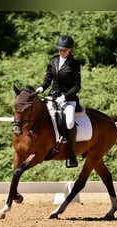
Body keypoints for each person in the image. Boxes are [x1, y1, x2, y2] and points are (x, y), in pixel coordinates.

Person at [36, 35, 81, 168]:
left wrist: (65, 97)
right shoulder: (53, 61)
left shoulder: (74, 64)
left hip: (69, 99)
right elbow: (48, 80)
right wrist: (41, 88)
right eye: (60, 49)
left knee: (69, 121)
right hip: (53, 96)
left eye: (64, 50)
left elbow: (77, 86)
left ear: (70, 49)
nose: (61, 52)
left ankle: (72, 154)